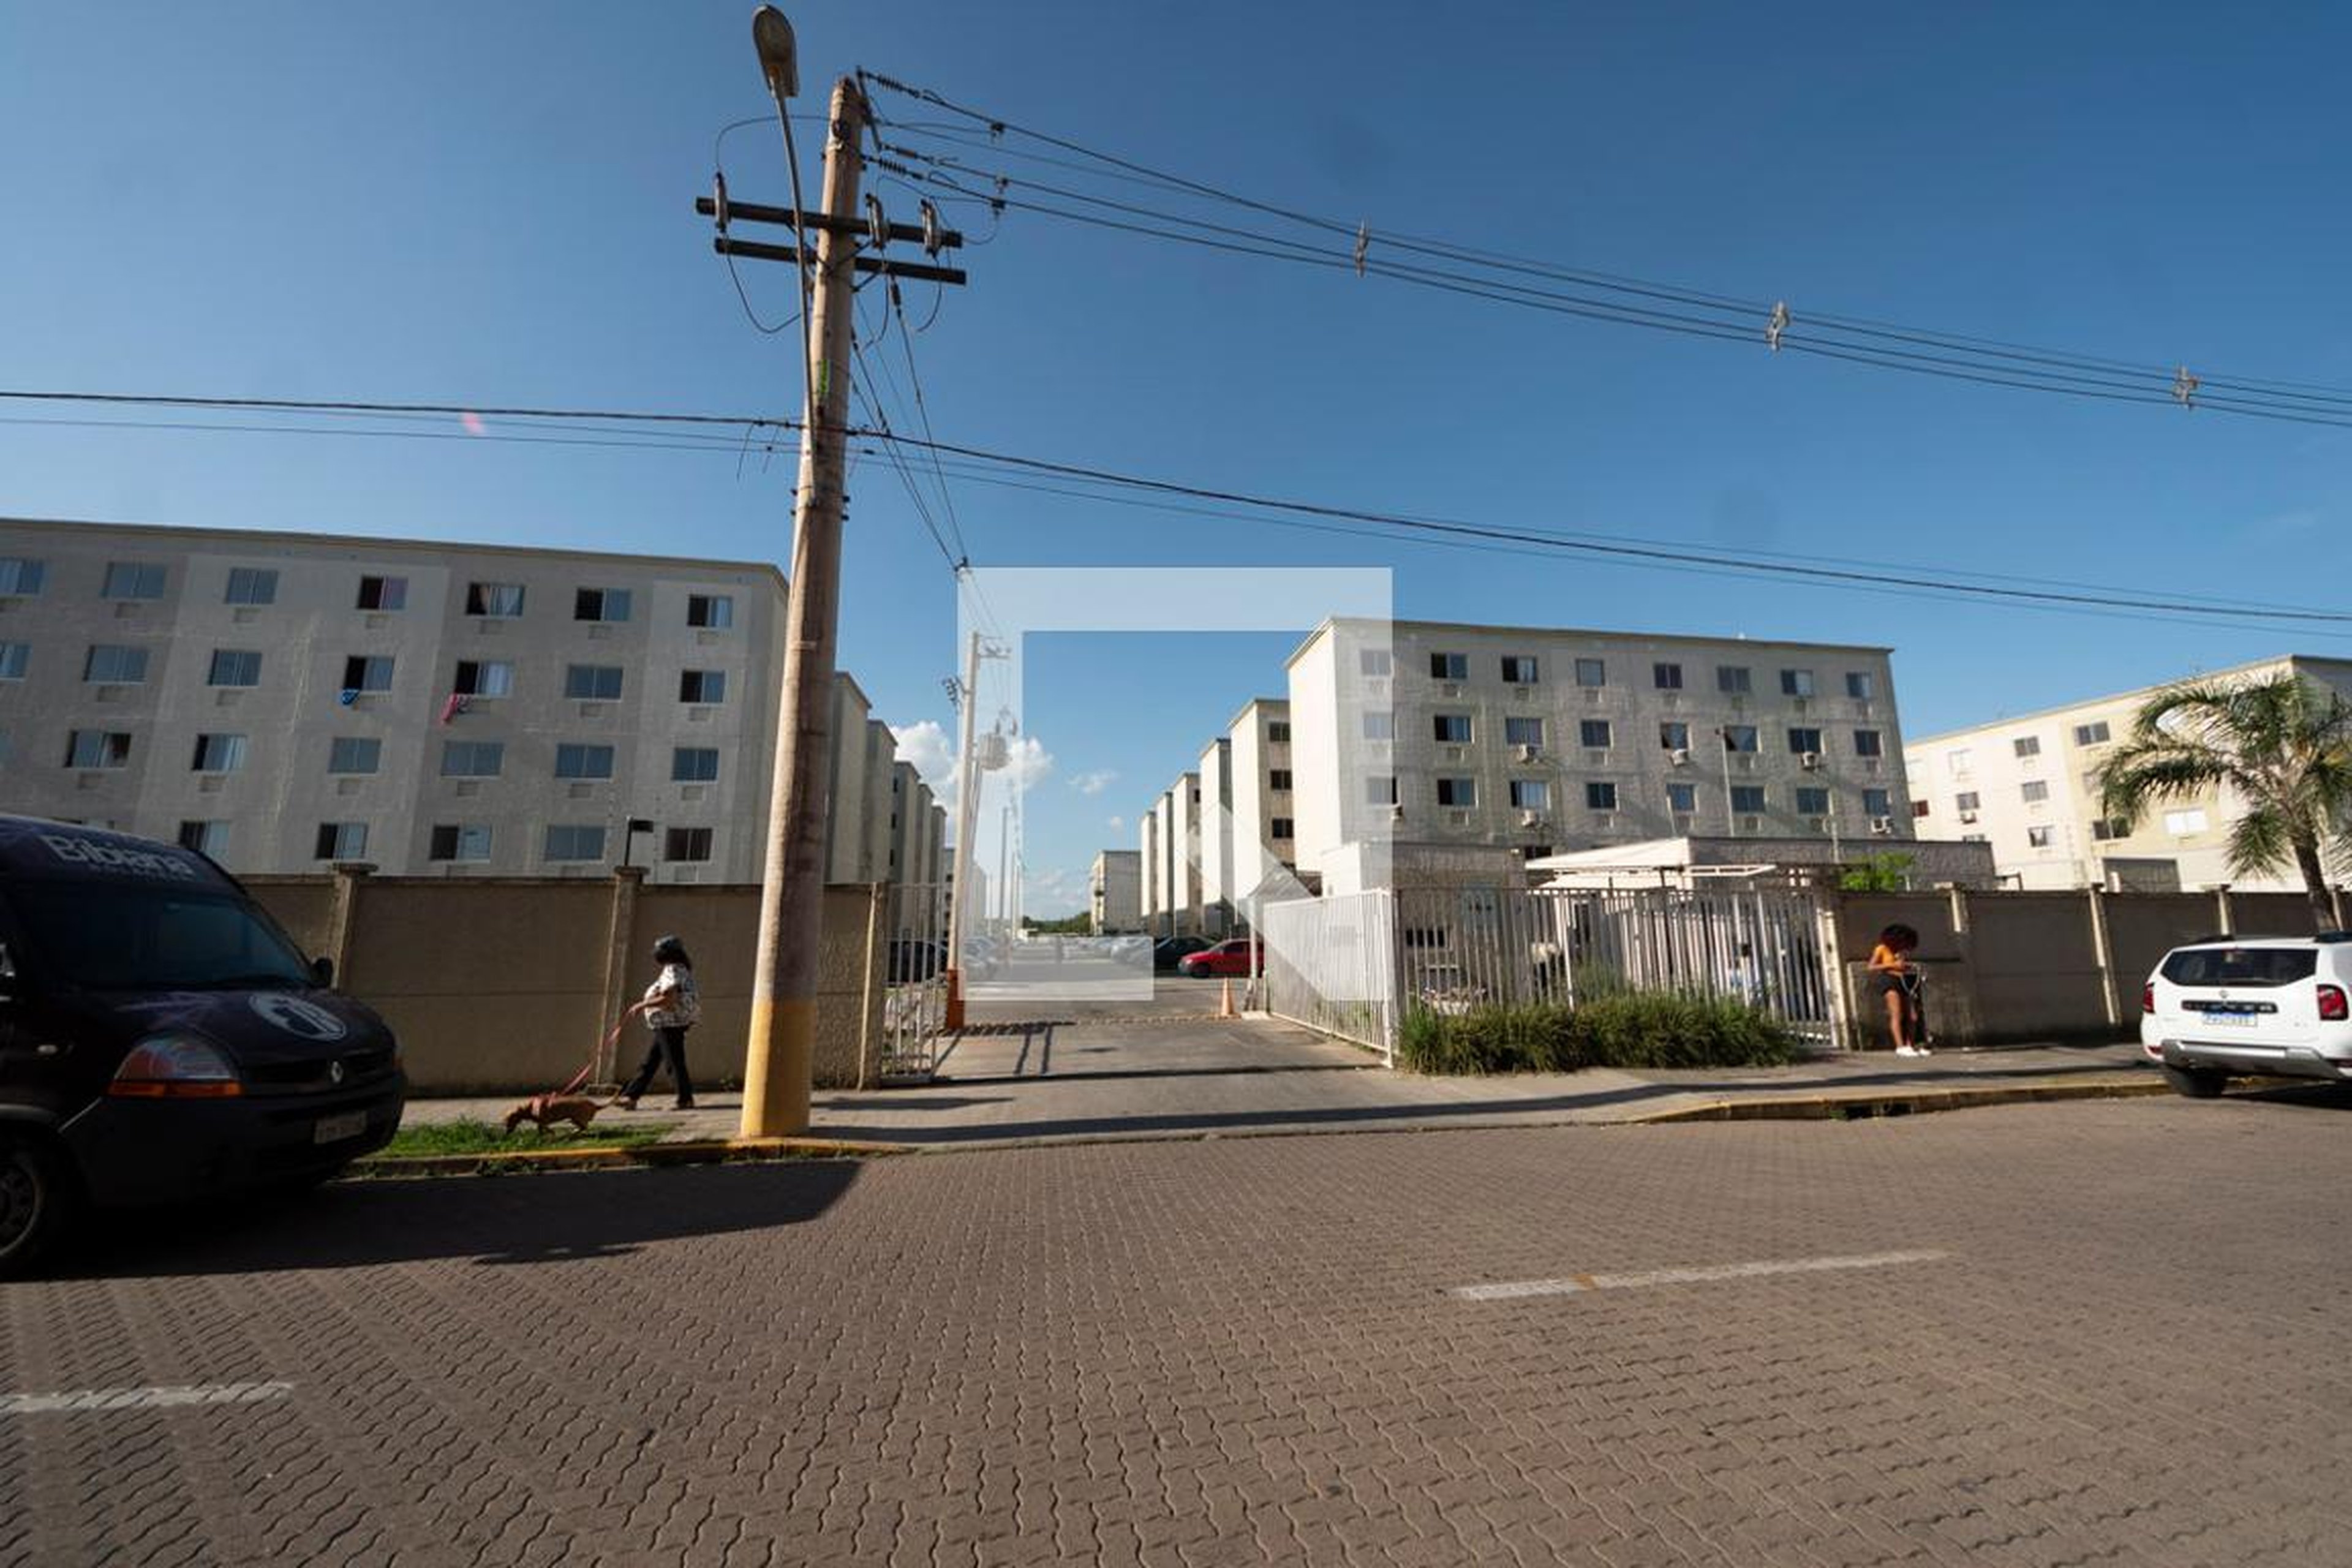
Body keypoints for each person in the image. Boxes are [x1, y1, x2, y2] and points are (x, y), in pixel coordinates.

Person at [614, 935, 699, 1110]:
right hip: (669, 1023)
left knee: (674, 1063)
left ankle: (685, 1099)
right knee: (651, 1061)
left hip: (670, 1023)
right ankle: (631, 1097)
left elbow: (669, 999)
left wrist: (641, 1005)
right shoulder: (680, 968)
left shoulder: (673, 970)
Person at [1868, 923, 1928, 1057]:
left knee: (1913, 1016)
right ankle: (1900, 1046)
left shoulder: (1901, 952)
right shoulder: (1882, 949)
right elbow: (1871, 967)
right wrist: (1892, 964)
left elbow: (1901, 966)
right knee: (1897, 1013)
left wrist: (1907, 965)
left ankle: (1910, 1045)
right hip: (1889, 980)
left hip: (1904, 981)